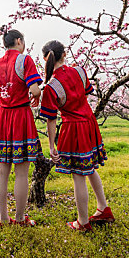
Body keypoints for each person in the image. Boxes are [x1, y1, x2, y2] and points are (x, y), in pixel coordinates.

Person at [39, 40, 114, 232]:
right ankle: (103, 208)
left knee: (78, 175)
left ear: (45, 60)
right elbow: (84, 94)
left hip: (73, 128)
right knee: (89, 168)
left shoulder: (50, 87)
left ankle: (82, 222)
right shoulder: (80, 71)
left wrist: (51, 146)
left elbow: (51, 120)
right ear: (64, 55)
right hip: (89, 123)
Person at [0, 29, 43, 227]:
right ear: (19, 41)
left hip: (3, 116)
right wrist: (36, 95)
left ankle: (3, 218)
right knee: (21, 173)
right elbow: (34, 88)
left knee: (2, 172)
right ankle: (19, 218)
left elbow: (0, 89)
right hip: (20, 116)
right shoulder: (24, 60)